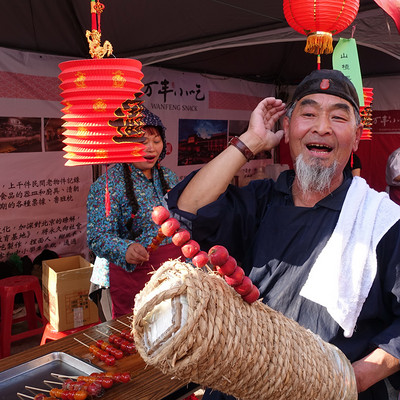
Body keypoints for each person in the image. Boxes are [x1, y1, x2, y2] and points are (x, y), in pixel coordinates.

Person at [167, 69, 400, 400]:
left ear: (357, 134)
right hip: (243, 385)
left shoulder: (383, 222)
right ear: (287, 127)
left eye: (338, 117)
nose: (321, 127)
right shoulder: (259, 201)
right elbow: (188, 207)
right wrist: (249, 142)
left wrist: (355, 379)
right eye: (308, 114)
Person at [87, 106, 183, 320]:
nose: (151, 148)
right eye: (141, 142)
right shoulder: (107, 185)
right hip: (128, 275)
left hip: (169, 275)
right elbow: (97, 236)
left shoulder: (169, 176)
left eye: (156, 141)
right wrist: (125, 248)